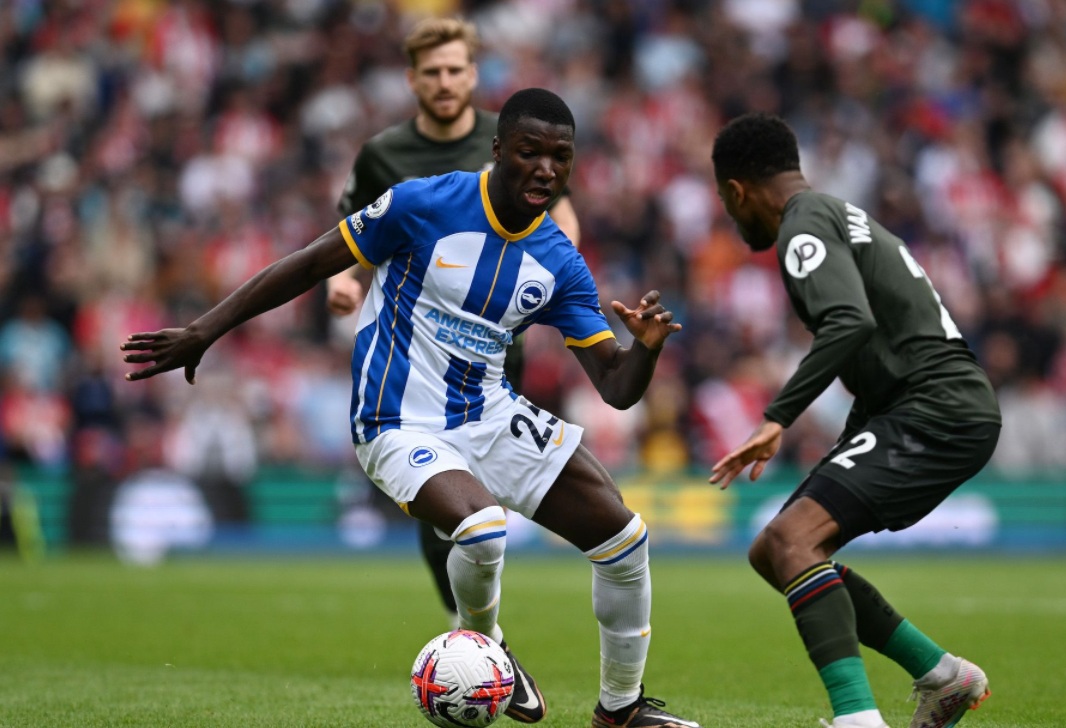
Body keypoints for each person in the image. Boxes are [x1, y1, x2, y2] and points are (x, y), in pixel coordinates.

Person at [123, 88, 700, 728]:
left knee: (624, 540)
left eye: (559, 157)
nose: (545, 169)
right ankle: (490, 651)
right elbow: (310, 264)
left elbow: (616, 387)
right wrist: (204, 330)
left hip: (487, 413)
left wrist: (645, 350)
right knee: (482, 529)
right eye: (529, 152)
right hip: (394, 421)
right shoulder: (422, 204)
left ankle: (620, 710)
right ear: (498, 150)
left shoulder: (559, 260)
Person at [707, 113, 1002, 728]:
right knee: (773, 550)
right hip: (920, 404)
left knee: (792, 540)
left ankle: (857, 720)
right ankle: (944, 676)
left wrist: (777, 417)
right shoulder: (835, 214)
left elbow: (850, 321)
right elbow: (879, 336)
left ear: (737, 191)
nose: (733, 217)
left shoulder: (803, 225)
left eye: (727, 203)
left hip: (934, 407)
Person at [329, 17, 581, 627]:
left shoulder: (512, 141)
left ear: (472, 74)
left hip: (494, 356)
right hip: (416, 358)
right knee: (445, 502)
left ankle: (474, 630)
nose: (444, 82)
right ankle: (468, 629)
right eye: (432, 72)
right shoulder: (385, 155)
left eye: (455, 70)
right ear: (413, 80)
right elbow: (356, 233)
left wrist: (553, 285)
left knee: (486, 498)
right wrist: (348, 280)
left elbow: (561, 220)